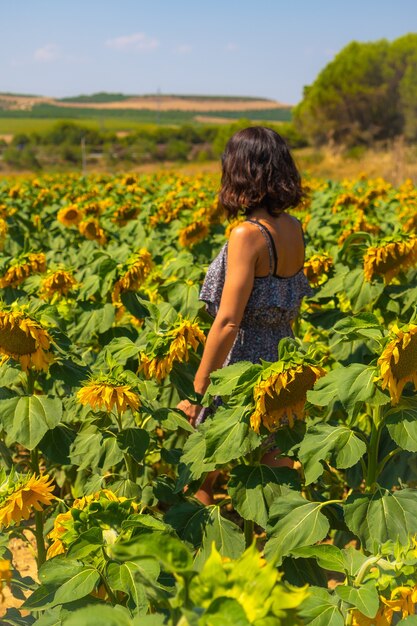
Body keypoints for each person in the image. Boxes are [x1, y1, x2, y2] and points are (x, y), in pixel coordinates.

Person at [177, 126, 313, 503]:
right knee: (274, 474)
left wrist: (198, 389)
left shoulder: (247, 235)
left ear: (239, 172)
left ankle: (195, 554)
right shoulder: (293, 228)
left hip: (243, 364)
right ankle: (276, 554)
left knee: (203, 471)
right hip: (283, 359)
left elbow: (228, 320)